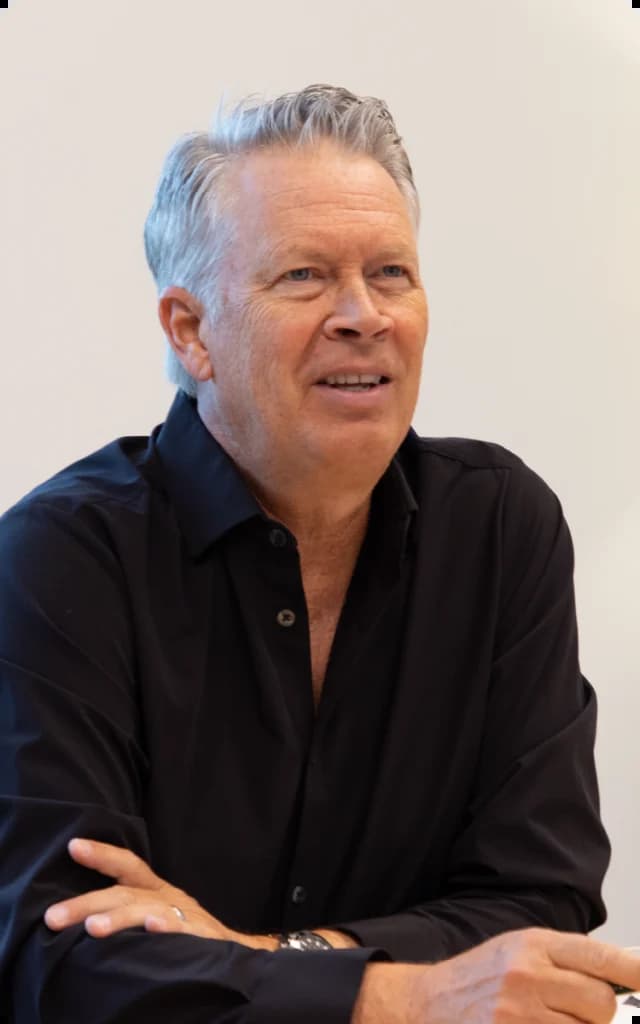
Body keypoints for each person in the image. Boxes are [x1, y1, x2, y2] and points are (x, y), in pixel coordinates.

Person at [0, 84, 634, 1023]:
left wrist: (256, 956)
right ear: (191, 330)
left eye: (391, 273)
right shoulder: (57, 560)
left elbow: (541, 903)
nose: (362, 314)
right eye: (302, 276)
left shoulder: (502, 528)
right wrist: (395, 996)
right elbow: (60, 963)